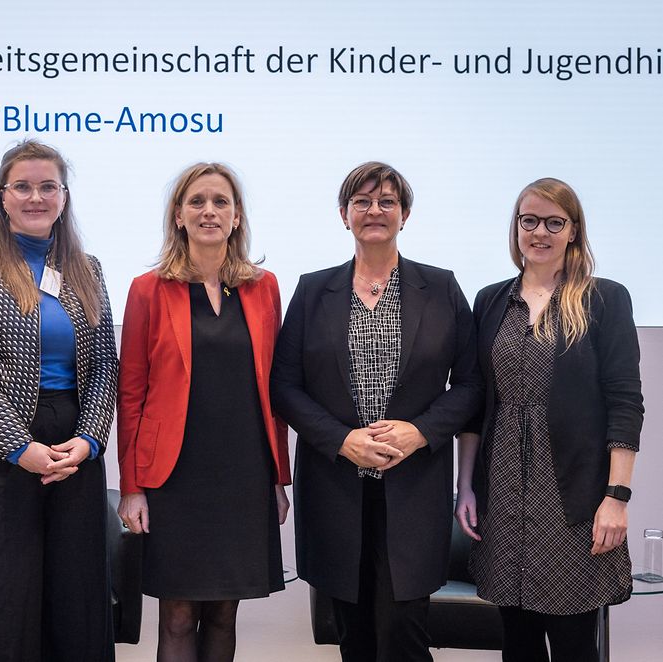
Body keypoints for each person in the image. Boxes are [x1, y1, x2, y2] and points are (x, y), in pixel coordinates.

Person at [270, 162, 482, 661]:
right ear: (343, 214)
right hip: (335, 489)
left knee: (404, 633)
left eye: (387, 201)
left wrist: (419, 431)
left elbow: (472, 384)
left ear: (405, 215)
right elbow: (285, 386)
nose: (374, 211)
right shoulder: (313, 290)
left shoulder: (442, 288)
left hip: (414, 490)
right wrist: (341, 439)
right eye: (362, 201)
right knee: (355, 637)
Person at [0, 139, 118, 662]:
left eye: (47, 187)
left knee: (76, 597)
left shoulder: (88, 268)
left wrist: (88, 440)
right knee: (1, 598)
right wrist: (20, 447)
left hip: (73, 446)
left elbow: (104, 365)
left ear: (63, 196)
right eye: (22, 187)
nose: (35, 197)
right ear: (3, 196)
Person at [455, 178, 643, 662]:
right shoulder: (490, 300)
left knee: (574, 643)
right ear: (516, 227)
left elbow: (625, 402)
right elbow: (476, 404)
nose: (540, 232)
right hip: (502, 495)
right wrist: (466, 487)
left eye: (554, 222)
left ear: (573, 230)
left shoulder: (604, 298)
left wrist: (616, 497)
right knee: (516, 641)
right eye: (530, 220)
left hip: (573, 500)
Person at [117, 162, 291, 662]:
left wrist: (277, 478)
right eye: (197, 201)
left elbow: (274, 390)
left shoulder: (264, 286)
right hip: (175, 477)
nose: (208, 211)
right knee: (176, 614)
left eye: (220, 202)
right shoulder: (148, 288)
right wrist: (132, 487)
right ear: (179, 215)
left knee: (223, 613)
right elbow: (131, 394)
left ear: (237, 217)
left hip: (243, 475)